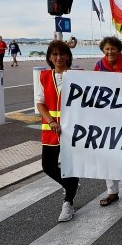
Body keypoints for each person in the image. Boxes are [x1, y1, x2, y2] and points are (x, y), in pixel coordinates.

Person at [35, 40, 79, 222]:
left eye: (62, 54)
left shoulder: (77, 76)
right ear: (50, 57)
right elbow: (40, 103)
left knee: (70, 166)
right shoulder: (44, 77)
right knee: (48, 166)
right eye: (55, 54)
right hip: (51, 130)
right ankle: (70, 185)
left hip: (72, 130)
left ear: (68, 56)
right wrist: (51, 121)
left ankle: (68, 203)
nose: (58, 58)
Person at [93, 36, 122, 207]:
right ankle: (112, 191)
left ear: (119, 49)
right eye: (107, 49)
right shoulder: (99, 66)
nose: (110, 52)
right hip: (108, 117)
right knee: (109, 155)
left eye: (113, 49)